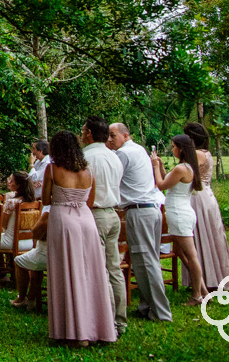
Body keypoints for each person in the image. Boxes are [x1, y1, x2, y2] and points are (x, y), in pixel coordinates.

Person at [44, 130, 116, 345]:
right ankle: (96, 329)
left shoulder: (52, 169)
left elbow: (45, 198)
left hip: (63, 219)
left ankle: (72, 331)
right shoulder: (88, 171)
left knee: (65, 271)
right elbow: (90, 201)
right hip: (86, 220)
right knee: (91, 273)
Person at [110, 122, 172, 322]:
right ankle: (147, 306)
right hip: (151, 209)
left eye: (113, 136)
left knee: (147, 262)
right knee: (143, 261)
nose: (110, 140)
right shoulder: (139, 150)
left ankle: (162, 313)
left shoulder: (123, 154)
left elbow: (113, 181)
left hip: (139, 210)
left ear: (125, 135)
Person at [81, 115, 126, 336]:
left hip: (95, 214)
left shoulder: (85, 157)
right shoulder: (114, 156)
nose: (81, 134)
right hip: (113, 214)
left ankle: (108, 322)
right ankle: (120, 320)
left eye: (82, 131)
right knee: (114, 269)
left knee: (100, 270)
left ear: (89, 133)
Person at [150, 134, 208, 304]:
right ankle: (203, 291)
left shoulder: (181, 169)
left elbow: (161, 185)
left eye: (174, 146)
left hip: (178, 213)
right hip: (183, 211)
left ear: (181, 149)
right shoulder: (187, 167)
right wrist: (160, 166)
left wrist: (154, 166)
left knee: (191, 255)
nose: (172, 149)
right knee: (182, 253)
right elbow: (169, 179)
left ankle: (197, 295)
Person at [183, 122, 229, 292]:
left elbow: (185, 172)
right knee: (211, 235)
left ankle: (207, 279)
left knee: (201, 236)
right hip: (207, 195)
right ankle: (208, 277)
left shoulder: (196, 154)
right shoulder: (206, 152)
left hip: (198, 197)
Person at [0, 171, 36, 256]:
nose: (8, 182)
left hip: (11, 241)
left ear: (18, 185)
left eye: (11, 181)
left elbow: (3, 225)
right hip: (29, 242)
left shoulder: (11, 202)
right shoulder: (32, 203)